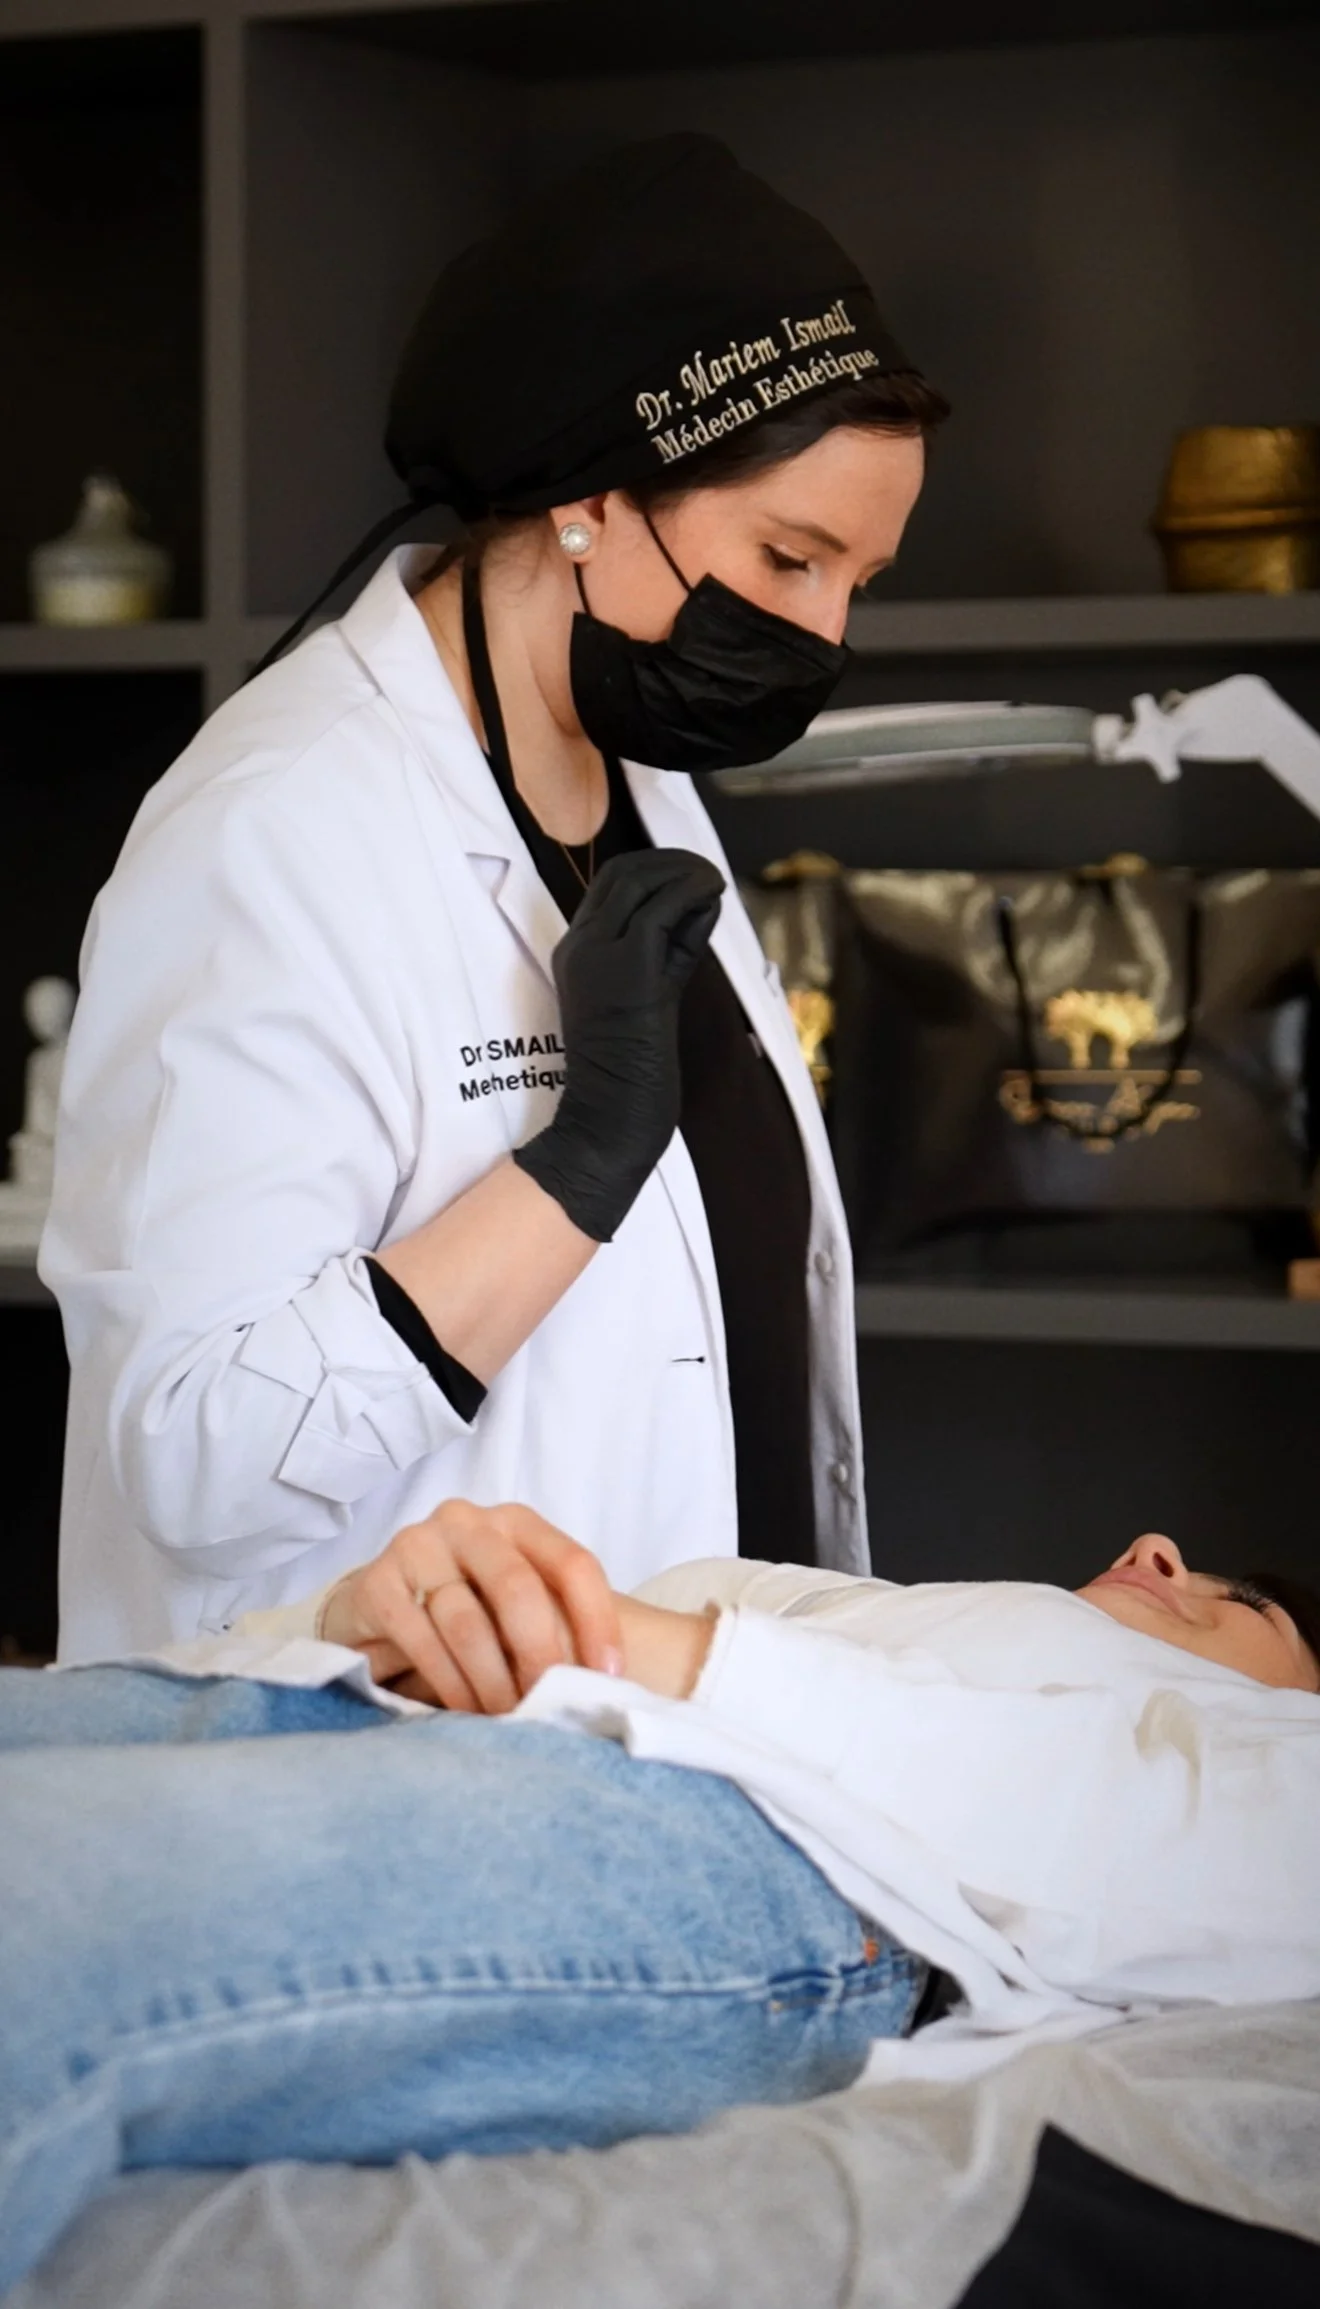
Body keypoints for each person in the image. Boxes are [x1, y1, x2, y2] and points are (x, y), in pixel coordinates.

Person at [42, 132, 949, 1663]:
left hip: (672, 1770)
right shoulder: (275, 831)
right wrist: (577, 1165)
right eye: (791, 559)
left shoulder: (643, 776)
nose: (825, 632)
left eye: (860, 580)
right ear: (592, 495)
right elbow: (193, 1453)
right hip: (382, 1807)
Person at [2, 1513, 1317, 2292]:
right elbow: (608, 1605)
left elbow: (1112, 1819)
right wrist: (357, 1619)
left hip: (772, 1854)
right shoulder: (868, 1607)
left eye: (1243, 1602)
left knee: (45, 1906)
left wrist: (626, 1646)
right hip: (410, 1702)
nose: (1163, 1547)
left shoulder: (1271, 1770)